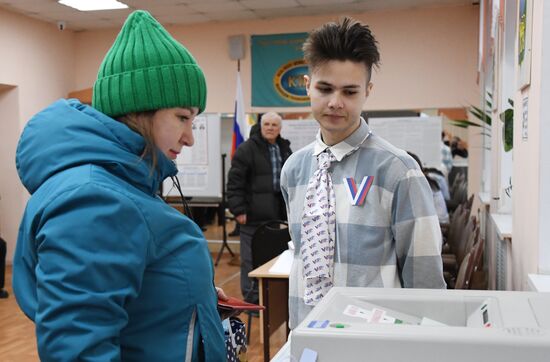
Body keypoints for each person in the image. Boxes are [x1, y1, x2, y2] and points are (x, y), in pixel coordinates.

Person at [13, 10, 226, 361]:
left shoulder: (120, 183)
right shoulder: (94, 199)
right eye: (182, 117)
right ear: (141, 110)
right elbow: (78, 349)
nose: (189, 137)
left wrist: (190, 299)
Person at [280, 17, 446, 328]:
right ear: (307, 86)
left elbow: (424, 276)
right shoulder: (294, 170)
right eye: (325, 88)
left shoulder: (398, 170)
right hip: (307, 330)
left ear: (367, 91)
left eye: (350, 92)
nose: (335, 103)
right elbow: (301, 255)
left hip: (374, 338)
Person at [227, 112, 292, 303]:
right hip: (252, 215)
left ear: (280, 128)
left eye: (274, 125)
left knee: (273, 258)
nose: (270, 128)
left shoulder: (284, 148)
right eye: (267, 124)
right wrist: (238, 210)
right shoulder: (247, 149)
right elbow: (234, 182)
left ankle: (270, 298)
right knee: (249, 259)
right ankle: (251, 299)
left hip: (275, 215)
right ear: (261, 126)